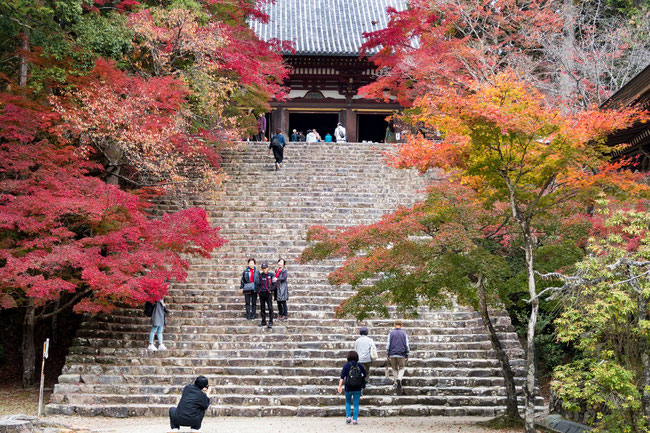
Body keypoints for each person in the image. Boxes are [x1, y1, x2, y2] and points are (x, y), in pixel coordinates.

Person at [338, 350, 366, 425]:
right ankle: (355, 419)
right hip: (357, 387)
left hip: (348, 387)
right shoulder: (360, 365)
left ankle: (348, 417)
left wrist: (339, 386)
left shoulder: (346, 365)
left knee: (348, 402)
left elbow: (342, 377)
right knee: (356, 404)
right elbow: (365, 375)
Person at [386, 319, 410, 392]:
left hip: (392, 353)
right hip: (401, 353)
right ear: (402, 325)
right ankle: (399, 379)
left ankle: (396, 381)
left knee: (394, 368)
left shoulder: (391, 333)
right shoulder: (404, 334)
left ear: (394, 325)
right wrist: (407, 353)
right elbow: (407, 345)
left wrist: (388, 354)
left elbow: (388, 345)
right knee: (402, 367)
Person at [257, 262, 274, 328]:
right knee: (262, 308)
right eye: (263, 268)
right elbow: (257, 284)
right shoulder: (260, 276)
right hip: (262, 294)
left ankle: (271, 321)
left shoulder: (271, 275)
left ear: (268, 268)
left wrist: (270, 290)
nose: (264, 270)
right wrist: (259, 291)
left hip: (268, 293)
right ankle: (263, 321)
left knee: (270, 308)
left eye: (265, 268)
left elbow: (275, 284)